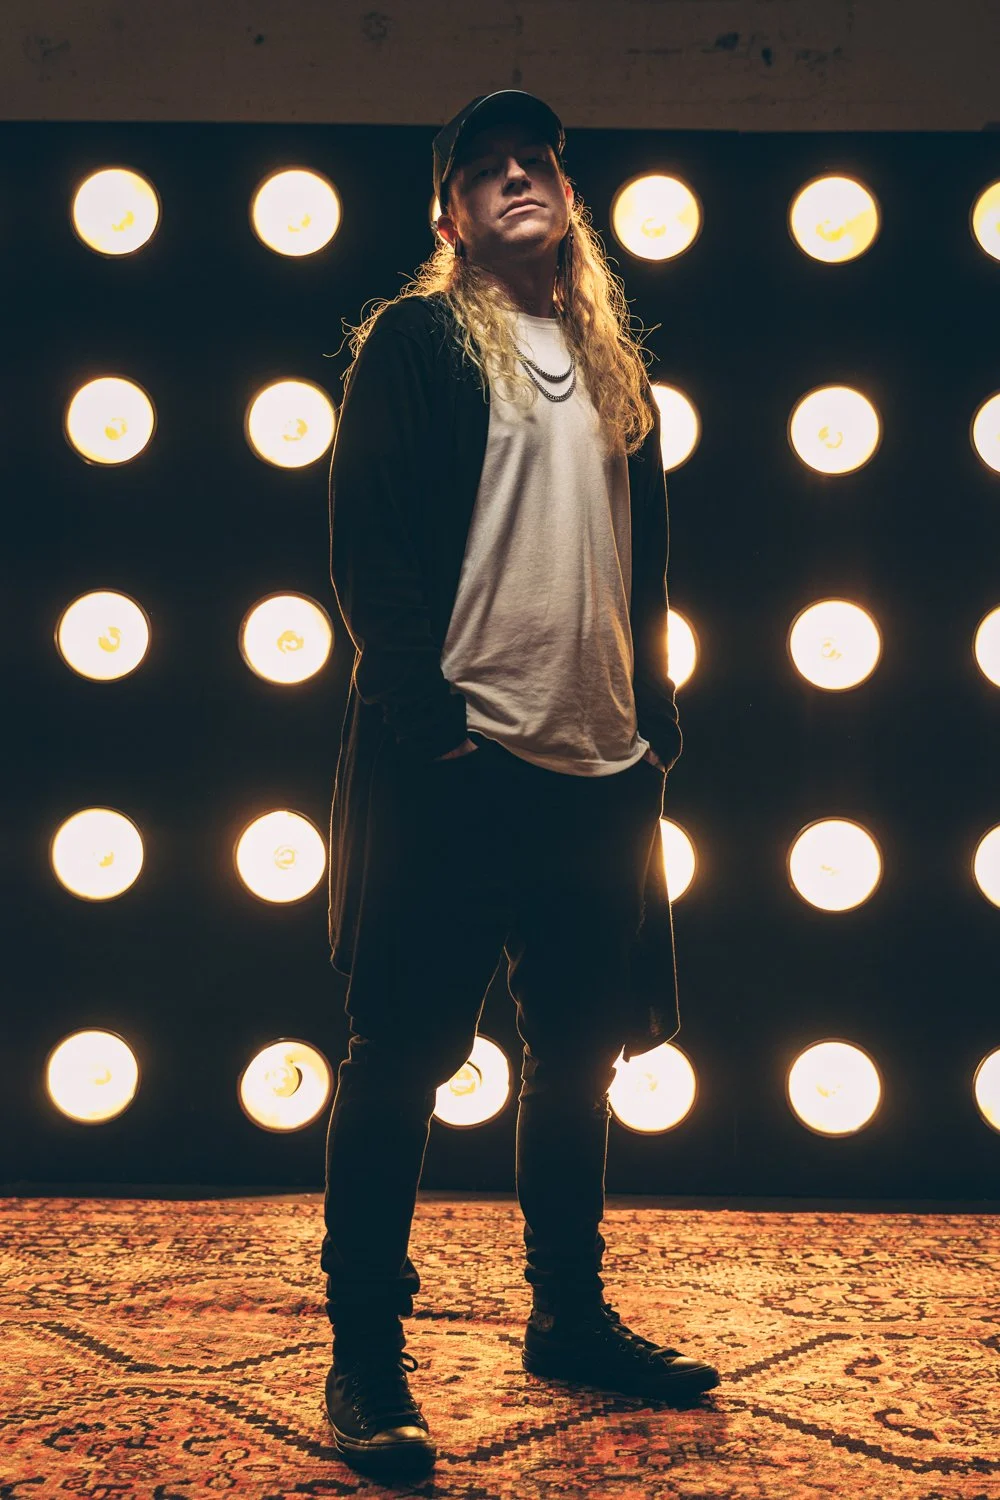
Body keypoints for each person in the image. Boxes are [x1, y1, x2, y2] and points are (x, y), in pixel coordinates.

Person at [321, 90, 718, 1480]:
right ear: (450, 218)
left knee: (579, 1059)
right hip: (463, 758)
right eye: (483, 170)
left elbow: (641, 560)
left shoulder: (613, 366)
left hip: (598, 766)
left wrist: (651, 718)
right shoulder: (418, 342)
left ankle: (570, 1317)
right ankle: (365, 1354)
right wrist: (426, 718)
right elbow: (370, 548)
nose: (513, 179)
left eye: (533, 161)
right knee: (401, 1058)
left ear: (566, 196)